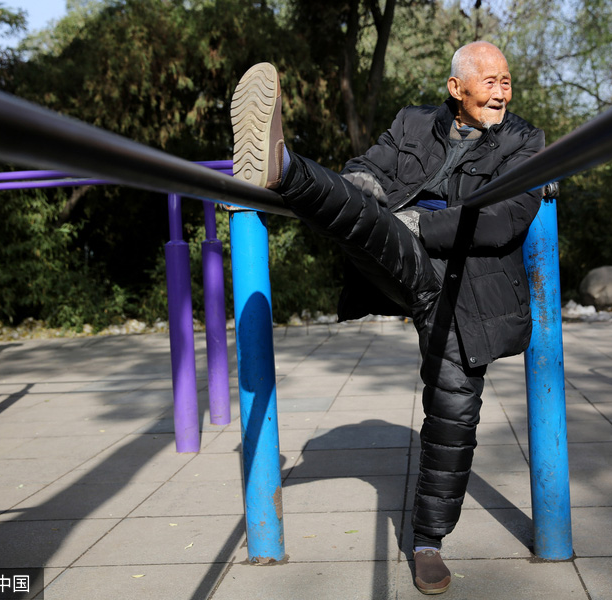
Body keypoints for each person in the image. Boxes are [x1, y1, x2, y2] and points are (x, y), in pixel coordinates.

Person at [230, 41, 545, 594]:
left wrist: (417, 226)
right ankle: (280, 165)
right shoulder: (413, 122)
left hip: (464, 287)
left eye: (506, 81)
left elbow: (503, 221)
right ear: (456, 88)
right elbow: (365, 169)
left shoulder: (524, 141)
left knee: (454, 414)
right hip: (393, 256)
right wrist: (368, 194)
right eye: (489, 81)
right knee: (360, 209)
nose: (501, 92)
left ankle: (427, 543)